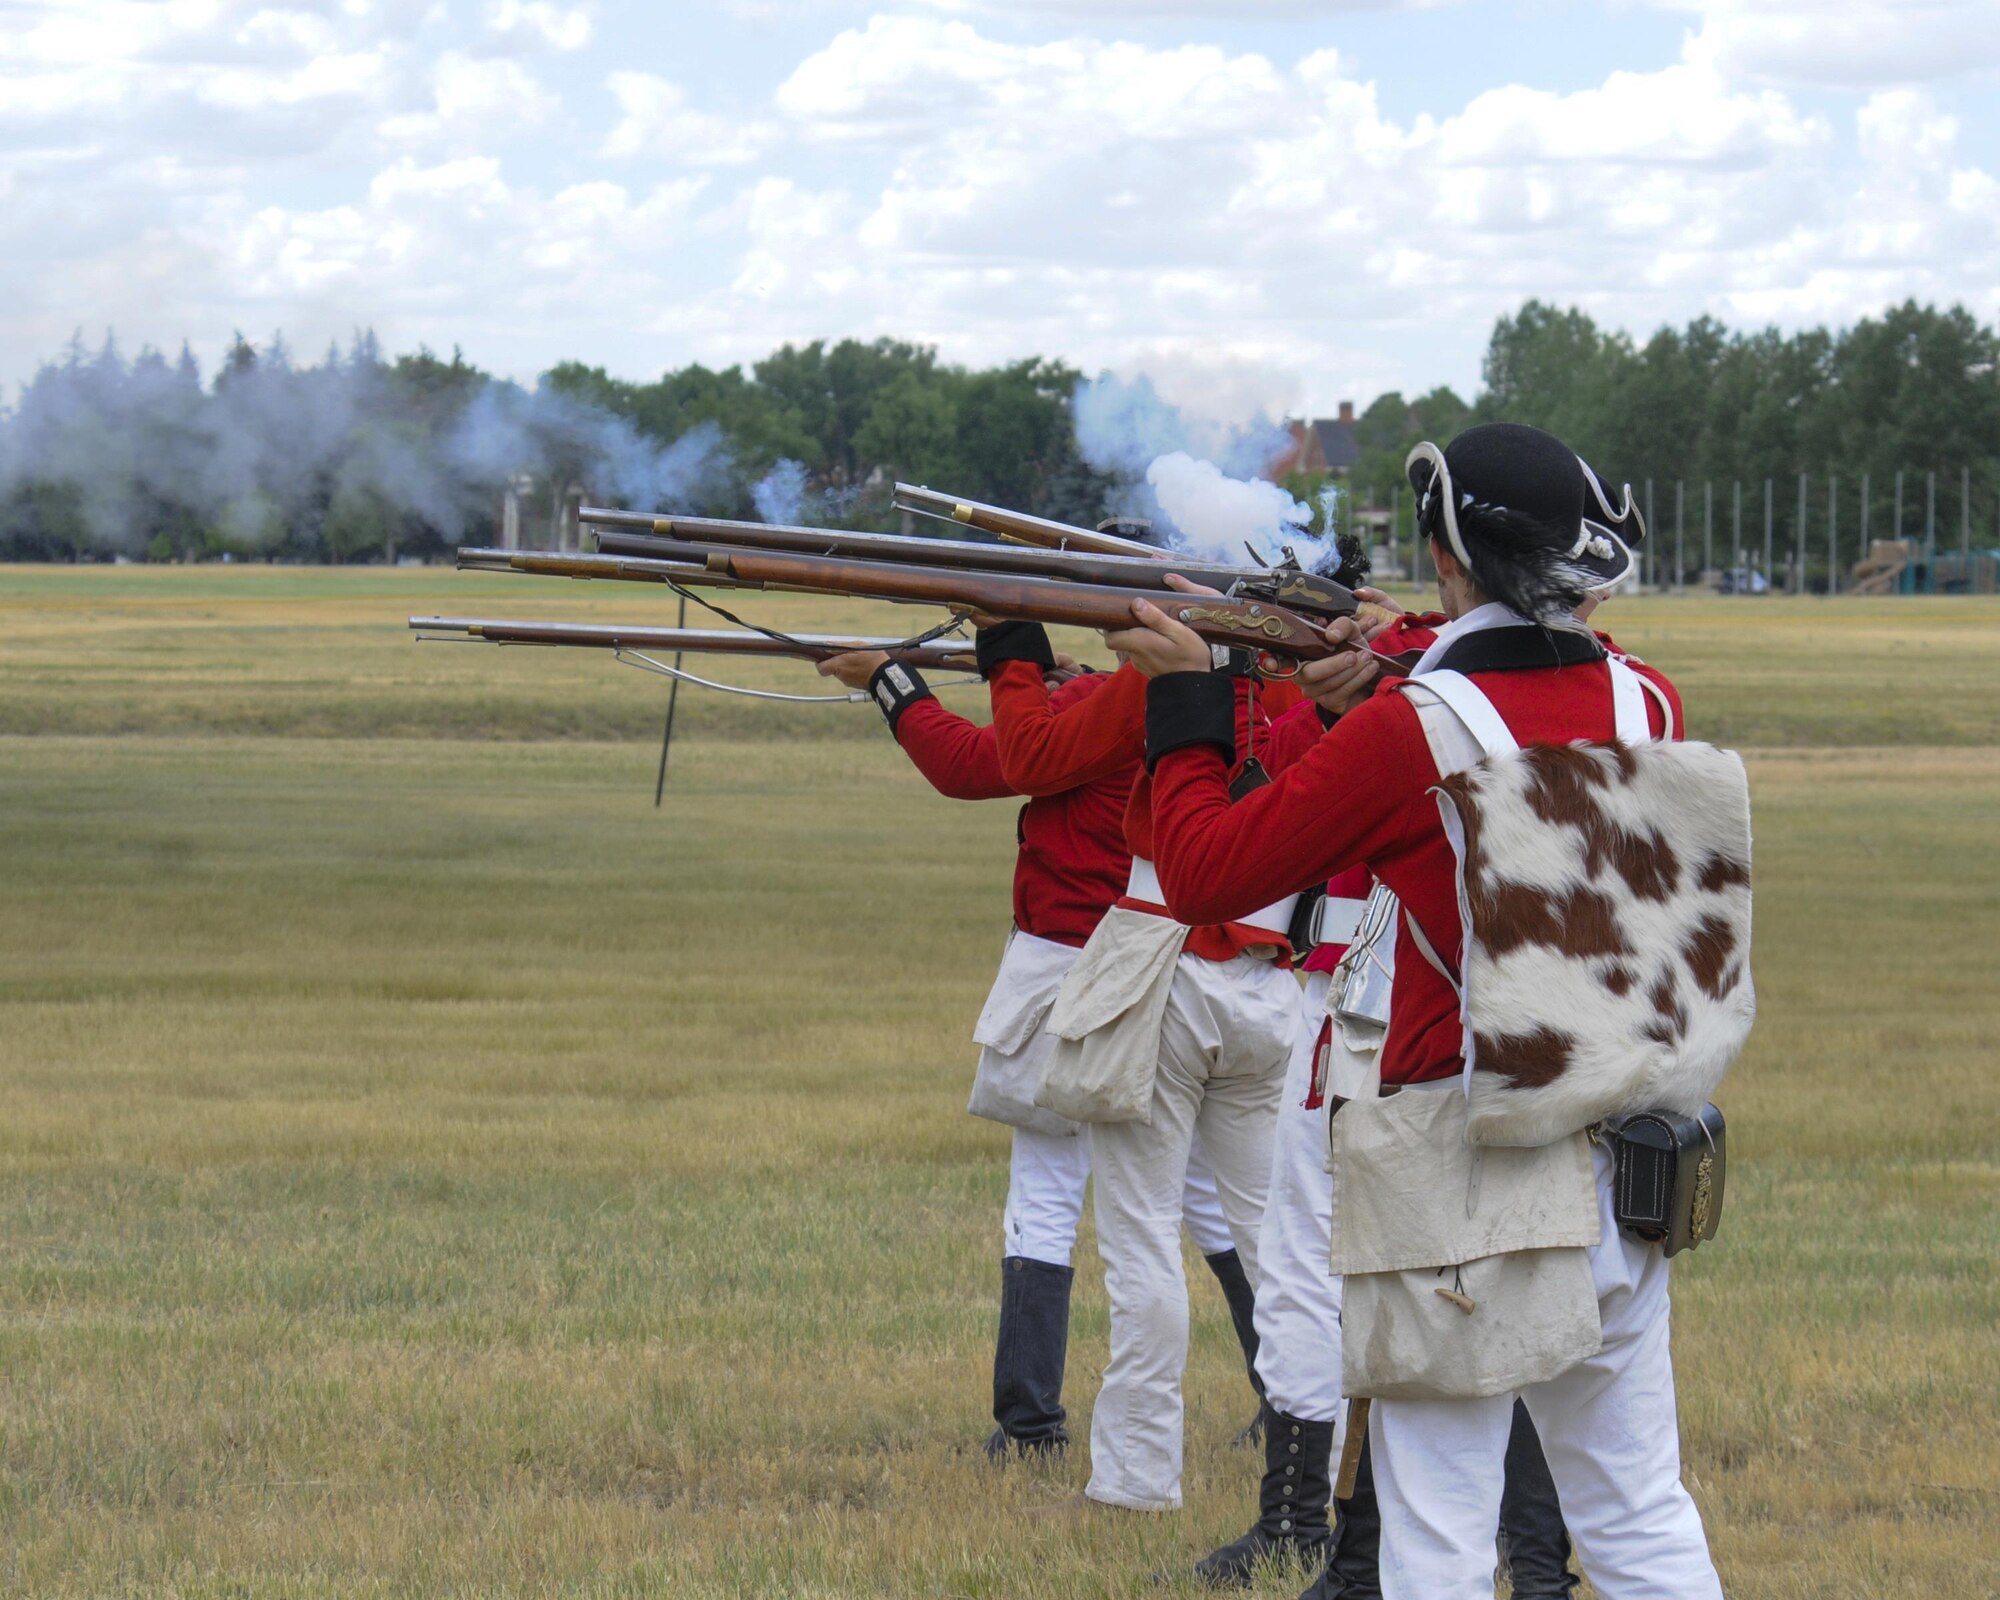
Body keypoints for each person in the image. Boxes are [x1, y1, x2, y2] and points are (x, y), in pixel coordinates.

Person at [1105, 422, 1725, 1600]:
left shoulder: (1414, 728)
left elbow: (1203, 872)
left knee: (1434, 1529)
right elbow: (1526, 694)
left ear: (1447, 557)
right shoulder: (1647, 696)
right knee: (1641, 1511)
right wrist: (1393, 658)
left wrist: (1186, 699)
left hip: (1462, 1171)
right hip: (1617, 1161)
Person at [1194, 613, 1582, 1600]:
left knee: (1324, 1270)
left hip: (1373, 1005)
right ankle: (1503, 1566)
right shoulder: (1552, 683)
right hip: (1435, 1011)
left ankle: (1323, 1535)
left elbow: (1230, 845)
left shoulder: (1421, 703)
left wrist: (1204, 697)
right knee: (1491, 1289)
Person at [813, 645, 1267, 1459]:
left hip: (1072, 968)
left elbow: (967, 762)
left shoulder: (1099, 705)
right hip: (1175, 966)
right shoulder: (1220, 702)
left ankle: (1029, 1425)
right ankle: (1288, 1395)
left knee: (1046, 1200)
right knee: (1210, 1201)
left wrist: (895, 679)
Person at [976, 569, 1344, 1512]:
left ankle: (1138, 1478)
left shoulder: (1177, 697)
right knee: (1275, 1246)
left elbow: (1032, 753)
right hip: (1266, 992)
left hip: (1169, 982)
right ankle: (1321, 1454)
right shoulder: (1310, 717)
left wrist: (1022, 649)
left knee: (1141, 1248)